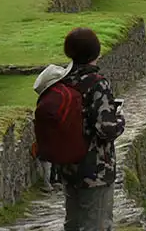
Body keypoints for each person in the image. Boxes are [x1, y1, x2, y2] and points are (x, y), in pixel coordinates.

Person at [33, 28, 125, 231]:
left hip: (69, 165)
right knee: (96, 224)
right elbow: (105, 129)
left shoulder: (62, 81)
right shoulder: (97, 83)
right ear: (96, 52)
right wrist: (120, 121)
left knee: (73, 223)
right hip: (95, 169)